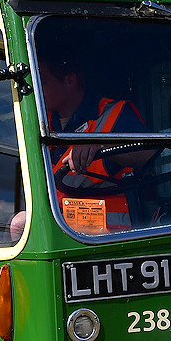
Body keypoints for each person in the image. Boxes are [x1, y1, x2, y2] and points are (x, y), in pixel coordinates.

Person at [40, 44, 154, 235]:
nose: (37, 90)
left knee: (20, 224)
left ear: (69, 80)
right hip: (61, 220)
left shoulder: (114, 114)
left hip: (110, 229)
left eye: (43, 82)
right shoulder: (43, 123)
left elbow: (148, 153)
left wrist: (102, 144)